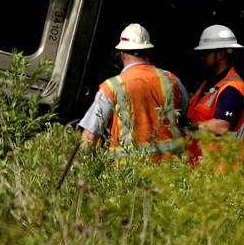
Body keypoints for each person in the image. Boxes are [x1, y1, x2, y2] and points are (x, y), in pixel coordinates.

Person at [79, 23, 188, 159]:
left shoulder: (112, 87)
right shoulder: (171, 80)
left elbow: (90, 136)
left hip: (129, 174)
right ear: (148, 51)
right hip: (169, 171)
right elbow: (183, 115)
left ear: (122, 53)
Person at [185, 24, 244, 165]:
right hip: (203, 169)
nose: (201, 58)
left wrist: (192, 126)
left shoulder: (232, 88)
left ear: (220, 54)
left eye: (206, 53)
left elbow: (221, 126)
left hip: (225, 172)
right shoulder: (208, 83)